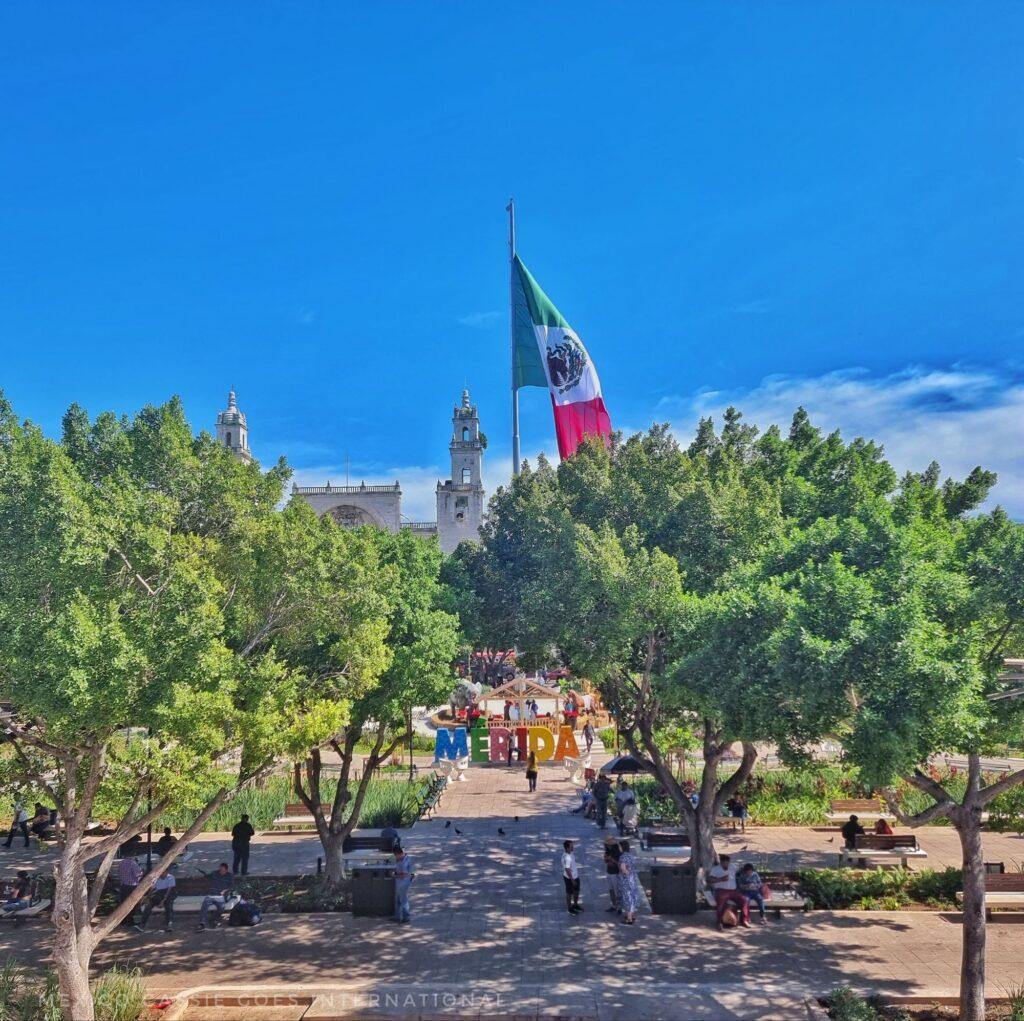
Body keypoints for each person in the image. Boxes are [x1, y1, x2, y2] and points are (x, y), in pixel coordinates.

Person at [708, 854, 749, 929]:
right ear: (721, 862)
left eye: (727, 862)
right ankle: (719, 922)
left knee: (744, 900)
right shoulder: (715, 869)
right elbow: (710, 880)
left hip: (733, 891)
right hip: (721, 890)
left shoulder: (732, 867)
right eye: (724, 863)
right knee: (720, 903)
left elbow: (741, 870)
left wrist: (746, 870)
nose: (726, 864)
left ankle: (744, 920)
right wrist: (721, 879)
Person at [197, 863, 233, 930]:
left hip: (220, 896)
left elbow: (231, 886)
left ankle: (214, 919)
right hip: (211, 895)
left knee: (221, 908)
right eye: (220, 869)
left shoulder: (229, 876)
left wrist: (224, 891)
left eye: (223, 870)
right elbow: (207, 876)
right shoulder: (214, 873)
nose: (221, 871)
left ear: (226, 870)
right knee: (204, 906)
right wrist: (199, 876)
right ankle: (202, 923)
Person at [617, 840, 641, 924]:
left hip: (626, 881)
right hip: (632, 879)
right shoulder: (631, 855)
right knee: (632, 896)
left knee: (627, 898)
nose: (619, 848)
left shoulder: (623, 857)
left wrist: (626, 874)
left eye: (619, 846)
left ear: (622, 847)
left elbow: (623, 868)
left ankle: (629, 918)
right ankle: (633, 915)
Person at [116, 854, 143, 926]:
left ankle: (123, 921)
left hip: (123, 886)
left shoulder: (121, 863)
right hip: (132, 886)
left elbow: (118, 874)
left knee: (124, 904)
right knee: (132, 904)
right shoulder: (133, 863)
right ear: (133, 856)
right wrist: (142, 871)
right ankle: (130, 921)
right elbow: (137, 874)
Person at [393, 844, 415, 923]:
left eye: (395, 855)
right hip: (403, 882)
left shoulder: (404, 862)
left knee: (403, 900)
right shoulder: (405, 858)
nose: (395, 857)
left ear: (398, 854)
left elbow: (404, 874)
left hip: (403, 883)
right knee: (399, 900)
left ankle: (406, 916)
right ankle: (397, 916)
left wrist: (394, 876)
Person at [561, 840, 581, 915]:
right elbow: (567, 869)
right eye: (571, 846)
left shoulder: (570, 853)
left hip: (576, 876)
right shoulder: (567, 857)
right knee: (569, 893)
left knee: (577, 891)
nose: (573, 847)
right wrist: (572, 880)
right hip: (570, 878)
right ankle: (570, 908)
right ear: (567, 848)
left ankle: (575, 904)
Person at [603, 837, 622, 914]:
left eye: (609, 844)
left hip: (615, 873)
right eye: (607, 844)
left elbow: (619, 864)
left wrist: (611, 859)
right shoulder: (607, 851)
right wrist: (606, 858)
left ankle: (619, 907)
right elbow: (606, 862)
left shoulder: (618, 853)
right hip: (609, 872)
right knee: (611, 890)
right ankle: (613, 905)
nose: (608, 846)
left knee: (617, 891)